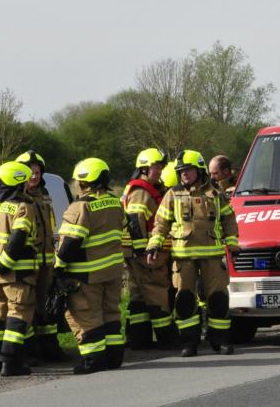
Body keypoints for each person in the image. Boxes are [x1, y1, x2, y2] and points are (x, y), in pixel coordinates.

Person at [147, 150, 240, 357]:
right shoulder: (172, 194)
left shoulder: (215, 193)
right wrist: (154, 245)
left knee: (218, 298)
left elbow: (229, 220)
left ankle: (220, 341)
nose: (184, 175)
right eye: (181, 172)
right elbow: (160, 224)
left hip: (213, 255)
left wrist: (233, 244)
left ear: (199, 170)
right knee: (185, 299)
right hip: (183, 257)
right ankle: (189, 342)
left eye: (188, 170)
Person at [56, 158, 127, 374]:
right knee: (111, 313)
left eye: (78, 181)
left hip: (86, 274)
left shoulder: (81, 206)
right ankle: (114, 358)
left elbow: (70, 242)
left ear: (85, 181)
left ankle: (93, 361)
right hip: (113, 271)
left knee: (87, 315)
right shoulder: (115, 203)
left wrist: (58, 266)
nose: (77, 184)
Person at [0, 161, 40, 376]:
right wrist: (5, 264)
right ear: (18, 183)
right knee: (18, 316)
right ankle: (11, 364)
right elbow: (18, 238)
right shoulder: (24, 207)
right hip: (17, 275)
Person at [14, 150, 68, 362]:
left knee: (46, 307)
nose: (34, 176)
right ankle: (28, 351)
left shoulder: (44, 195)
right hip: (28, 264)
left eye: (37, 172)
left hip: (46, 262)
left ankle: (50, 349)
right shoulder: (17, 199)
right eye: (30, 172)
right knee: (26, 309)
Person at [121, 148, 177, 349]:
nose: (160, 171)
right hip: (147, 254)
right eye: (156, 167)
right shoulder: (142, 192)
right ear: (144, 169)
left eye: (161, 167)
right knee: (156, 293)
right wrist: (143, 252)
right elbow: (135, 222)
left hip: (136, 252)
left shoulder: (141, 189)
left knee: (138, 296)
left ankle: (138, 339)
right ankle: (167, 338)